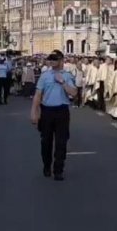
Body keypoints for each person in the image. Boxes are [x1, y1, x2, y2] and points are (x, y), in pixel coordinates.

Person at [30, 51, 78, 181]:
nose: (52, 62)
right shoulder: (44, 76)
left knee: (61, 142)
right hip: (47, 112)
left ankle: (58, 169)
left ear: (61, 60)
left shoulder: (67, 76)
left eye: (55, 59)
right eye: (51, 59)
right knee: (46, 141)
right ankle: (47, 165)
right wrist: (34, 112)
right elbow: (38, 95)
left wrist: (62, 82)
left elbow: (74, 93)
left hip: (62, 111)